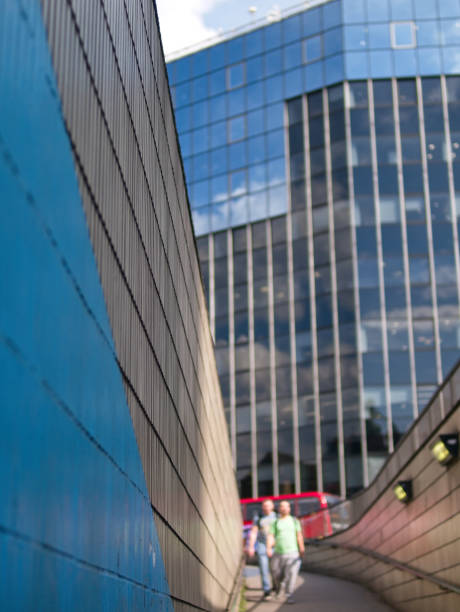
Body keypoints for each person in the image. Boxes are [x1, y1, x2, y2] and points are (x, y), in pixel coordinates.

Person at [266, 500, 305, 604]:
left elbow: (299, 535)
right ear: (279, 509)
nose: (283, 508)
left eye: (286, 507)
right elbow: (271, 536)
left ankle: (289, 594)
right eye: (281, 507)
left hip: (292, 552)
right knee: (276, 574)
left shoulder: (294, 521)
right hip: (278, 552)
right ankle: (279, 590)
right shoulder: (275, 522)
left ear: (289, 509)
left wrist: (301, 548)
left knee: (291, 574)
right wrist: (269, 548)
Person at [246, 499, 277, 600]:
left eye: (268, 505)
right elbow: (254, 532)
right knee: (264, 569)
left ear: (272, 506)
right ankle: (267, 591)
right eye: (264, 506)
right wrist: (251, 546)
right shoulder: (258, 518)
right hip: (262, 546)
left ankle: (276, 587)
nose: (266, 507)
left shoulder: (277, 517)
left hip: (275, 546)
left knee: (275, 570)